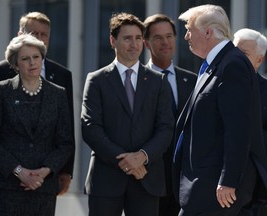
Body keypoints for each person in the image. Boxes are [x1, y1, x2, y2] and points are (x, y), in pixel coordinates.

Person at [172, 4, 267, 216]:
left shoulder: (232, 64)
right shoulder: (214, 64)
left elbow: (238, 129)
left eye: (190, 29)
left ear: (207, 32)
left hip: (217, 189)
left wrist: (228, 180)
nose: (186, 36)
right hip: (201, 184)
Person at [81, 12, 175, 216]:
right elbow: (90, 127)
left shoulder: (158, 81)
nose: (134, 44)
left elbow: (166, 127)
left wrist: (142, 157)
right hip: (106, 180)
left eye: (138, 38)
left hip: (146, 178)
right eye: (127, 38)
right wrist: (125, 162)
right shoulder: (96, 80)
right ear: (112, 41)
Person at [0, 12, 75, 194]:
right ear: (19, 34)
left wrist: (64, 170)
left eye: (43, 34)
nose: (38, 38)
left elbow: (66, 132)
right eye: (32, 33)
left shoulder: (63, 77)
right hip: (3, 176)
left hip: (44, 179)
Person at [143, 14, 197, 216]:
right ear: (146, 43)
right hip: (147, 178)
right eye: (157, 37)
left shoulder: (192, 81)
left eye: (169, 36)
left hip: (184, 179)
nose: (165, 42)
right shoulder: (138, 80)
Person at [233, 28, 267, 215]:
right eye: (234, 51)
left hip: (256, 192)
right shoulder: (216, 85)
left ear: (259, 60)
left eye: (243, 54)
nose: (236, 58)